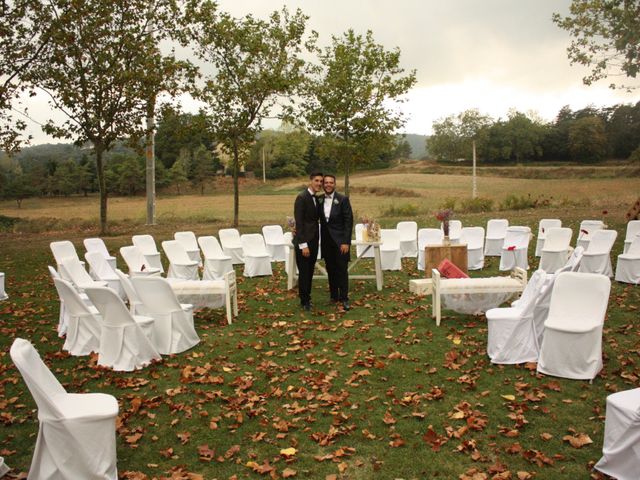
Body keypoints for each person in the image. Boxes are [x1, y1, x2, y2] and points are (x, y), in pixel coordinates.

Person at [319, 174, 354, 310]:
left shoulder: (343, 199)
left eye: (330, 182)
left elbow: (348, 221)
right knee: (330, 269)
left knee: (342, 269)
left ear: (335, 184)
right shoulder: (319, 199)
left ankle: (344, 298)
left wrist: (346, 242)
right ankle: (334, 297)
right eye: (326, 182)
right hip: (327, 242)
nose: (328, 185)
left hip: (340, 242)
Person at [293, 172, 324, 311]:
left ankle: (307, 298)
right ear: (310, 181)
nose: (319, 183)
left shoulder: (316, 199)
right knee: (304, 271)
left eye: (321, 181)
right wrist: (303, 245)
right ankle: (304, 300)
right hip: (304, 242)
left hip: (313, 240)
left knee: (310, 270)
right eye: (316, 180)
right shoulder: (302, 197)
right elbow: (299, 223)